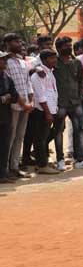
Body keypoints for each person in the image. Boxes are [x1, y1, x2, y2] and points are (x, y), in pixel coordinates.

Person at [52, 37, 83, 169]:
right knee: (58, 131)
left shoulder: (76, 62)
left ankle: (80, 159)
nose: (69, 47)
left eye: (70, 45)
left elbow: (81, 81)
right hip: (60, 103)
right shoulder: (54, 63)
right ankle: (60, 160)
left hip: (75, 102)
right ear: (59, 48)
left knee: (79, 129)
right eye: (66, 46)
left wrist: (80, 96)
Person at [0, 52, 23, 183]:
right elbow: (8, 96)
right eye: (2, 59)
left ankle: (3, 174)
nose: (5, 62)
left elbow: (14, 96)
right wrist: (5, 97)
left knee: (4, 146)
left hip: (5, 117)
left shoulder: (7, 78)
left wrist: (7, 97)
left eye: (5, 59)